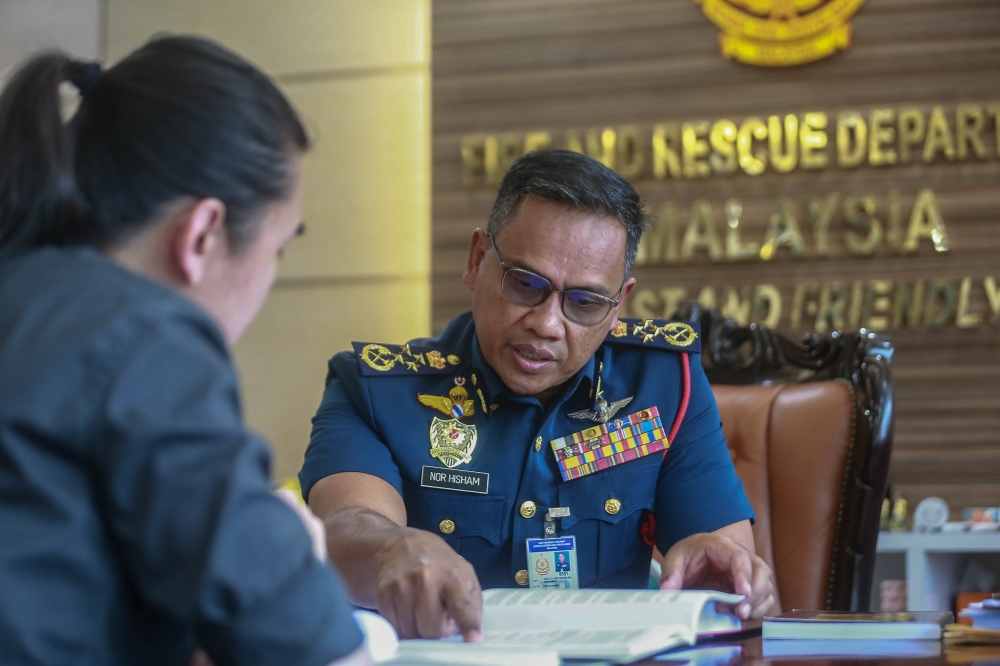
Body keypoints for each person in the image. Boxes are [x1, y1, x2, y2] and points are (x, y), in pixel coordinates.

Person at [300, 150, 775, 642]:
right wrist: (387, 550)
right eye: (525, 284)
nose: (547, 325)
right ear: (477, 260)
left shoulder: (663, 384)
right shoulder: (378, 390)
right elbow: (343, 527)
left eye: (585, 303)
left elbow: (726, 555)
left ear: (619, 306)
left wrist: (729, 571)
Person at [0, 38, 367, 665]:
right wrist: (283, 547)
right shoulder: (144, 335)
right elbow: (303, 637)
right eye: (278, 249)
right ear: (201, 235)